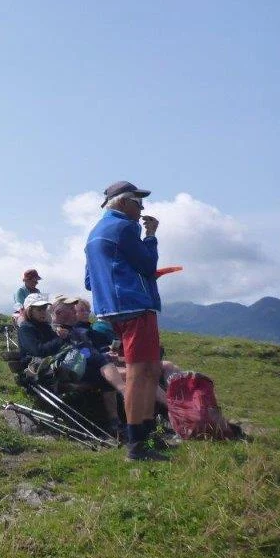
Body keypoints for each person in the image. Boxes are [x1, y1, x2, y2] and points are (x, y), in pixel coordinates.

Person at [85, 180, 169, 462]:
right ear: (121, 202)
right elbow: (147, 265)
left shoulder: (95, 233)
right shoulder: (125, 227)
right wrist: (151, 235)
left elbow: (89, 281)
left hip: (110, 309)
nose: (142, 207)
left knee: (145, 370)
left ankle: (144, 435)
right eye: (137, 201)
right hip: (135, 306)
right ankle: (137, 445)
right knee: (142, 373)